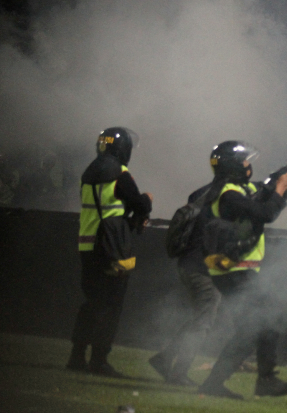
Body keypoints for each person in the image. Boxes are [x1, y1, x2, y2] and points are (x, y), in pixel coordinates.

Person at [196, 140, 287, 400]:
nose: (248, 165)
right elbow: (266, 212)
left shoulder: (237, 189)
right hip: (234, 271)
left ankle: (248, 381)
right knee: (262, 322)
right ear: (233, 165)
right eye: (244, 161)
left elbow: (274, 193)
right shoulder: (229, 194)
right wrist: (280, 188)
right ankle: (263, 380)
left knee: (254, 328)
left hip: (237, 270)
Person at [67, 127, 153, 377]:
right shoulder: (120, 172)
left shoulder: (89, 172)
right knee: (110, 305)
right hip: (111, 247)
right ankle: (99, 360)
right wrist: (147, 198)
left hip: (87, 244)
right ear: (122, 148)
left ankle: (76, 356)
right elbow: (138, 203)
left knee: (92, 303)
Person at [148, 182, 223, 387]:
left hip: (189, 265)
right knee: (202, 324)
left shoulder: (203, 192)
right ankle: (178, 373)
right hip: (202, 269)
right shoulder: (227, 195)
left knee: (198, 319)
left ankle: (164, 359)